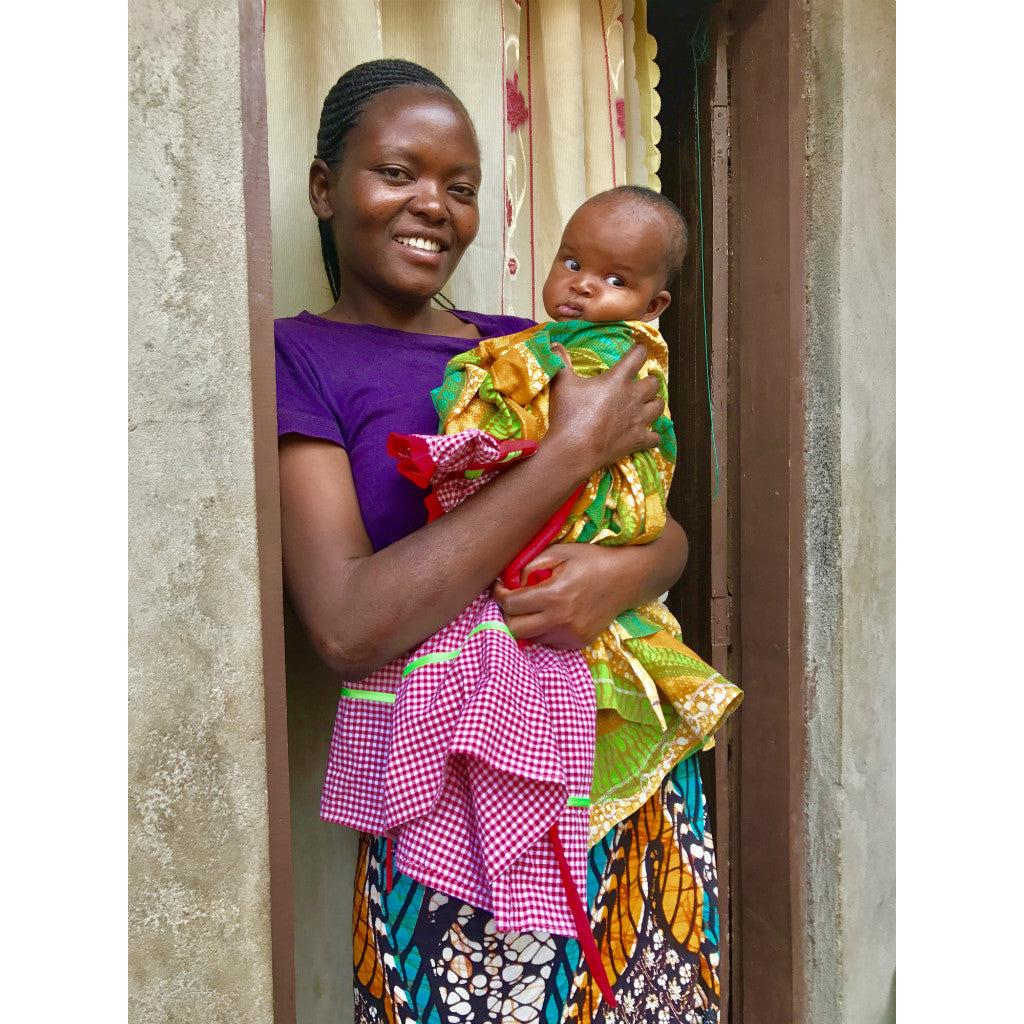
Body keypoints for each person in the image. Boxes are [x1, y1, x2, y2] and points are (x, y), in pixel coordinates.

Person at [276, 58, 721, 1023]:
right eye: (398, 172)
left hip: (616, 771)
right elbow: (350, 627)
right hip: (448, 794)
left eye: (462, 187)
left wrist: (621, 574)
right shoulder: (298, 358)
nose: (432, 204)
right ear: (324, 188)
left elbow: (662, 527)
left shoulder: (544, 344)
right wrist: (564, 455)